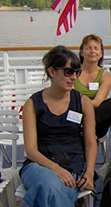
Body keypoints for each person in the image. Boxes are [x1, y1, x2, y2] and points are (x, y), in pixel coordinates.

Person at [20, 46, 97, 207]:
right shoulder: (33, 104)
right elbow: (31, 149)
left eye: (77, 72)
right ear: (52, 72)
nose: (74, 77)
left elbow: (90, 142)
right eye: (68, 72)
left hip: (72, 167)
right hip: (39, 166)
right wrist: (55, 168)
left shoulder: (83, 102)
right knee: (48, 185)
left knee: (46, 191)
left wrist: (89, 173)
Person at [75, 34, 111, 138]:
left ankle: (86, 129)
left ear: (101, 54)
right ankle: (83, 130)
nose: (92, 51)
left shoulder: (106, 76)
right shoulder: (72, 72)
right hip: (75, 113)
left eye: (96, 48)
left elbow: (97, 102)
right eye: (88, 48)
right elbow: (70, 98)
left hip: (96, 120)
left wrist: (81, 103)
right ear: (81, 53)